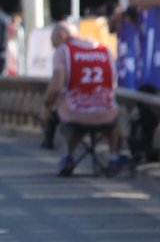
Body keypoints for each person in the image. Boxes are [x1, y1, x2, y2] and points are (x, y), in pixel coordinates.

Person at [41, 20, 128, 176]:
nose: (54, 47)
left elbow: (55, 87)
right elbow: (113, 82)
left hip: (75, 112)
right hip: (106, 113)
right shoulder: (104, 49)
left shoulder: (64, 51)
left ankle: (69, 155)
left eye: (53, 43)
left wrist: (47, 107)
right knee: (111, 113)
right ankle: (113, 156)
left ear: (62, 36)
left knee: (69, 111)